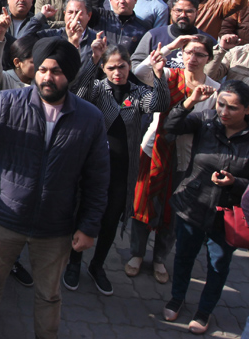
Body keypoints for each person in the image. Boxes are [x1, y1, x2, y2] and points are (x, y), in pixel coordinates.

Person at [0, 35, 109, 339]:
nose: (47, 78)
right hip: (5, 218)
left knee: (49, 294)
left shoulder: (90, 119)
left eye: (57, 72)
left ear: (70, 75)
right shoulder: (6, 103)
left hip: (56, 227)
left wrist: (89, 226)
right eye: (42, 69)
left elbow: (98, 178)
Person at [63, 42, 170, 295]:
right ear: (104, 68)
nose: (117, 72)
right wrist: (92, 60)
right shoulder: (98, 89)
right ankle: (74, 262)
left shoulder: (137, 92)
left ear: (129, 66)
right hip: (92, 165)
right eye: (110, 67)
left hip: (123, 170)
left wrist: (159, 74)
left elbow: (160, 105)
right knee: (84, 212)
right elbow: (77, 94)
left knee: (111, 219)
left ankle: (98, 265)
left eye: (121, 66)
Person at [129, 34, 220, 285]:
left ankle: (159, 258)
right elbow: (139, 72)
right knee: (143, 200)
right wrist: (170, 46)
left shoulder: (214, 89)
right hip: (153, 149)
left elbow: (211, 125)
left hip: (186, 159)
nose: (192, 58)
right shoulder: (168, 75)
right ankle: (136, 253)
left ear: (208, 58)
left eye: (200, 54)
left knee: (175, 208)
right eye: (188, 52)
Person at [161, 80, 249, 334]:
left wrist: (236, 183)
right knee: (184, 256)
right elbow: (171, 126)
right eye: (221, 104)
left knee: (218, 265)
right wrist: (190, 102)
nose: (223, 111)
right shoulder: (207, 121)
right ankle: (177, 298)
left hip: (228, 216)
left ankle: (204, 311)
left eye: (232, 108)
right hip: (193, 205)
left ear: (246, 110)